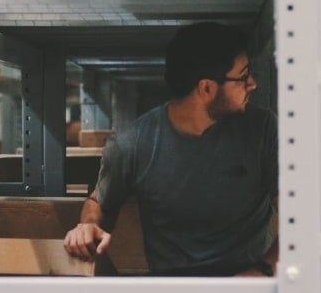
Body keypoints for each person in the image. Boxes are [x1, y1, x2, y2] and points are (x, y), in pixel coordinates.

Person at [63, 22, 278, 277]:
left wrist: (263, 270)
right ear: (206, 88)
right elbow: (98, 201)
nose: (252, 84)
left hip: (250, 284)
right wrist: (87, 226)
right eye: (243, 77)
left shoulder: (263, 129)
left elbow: (299, 218)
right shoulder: (133, 145)